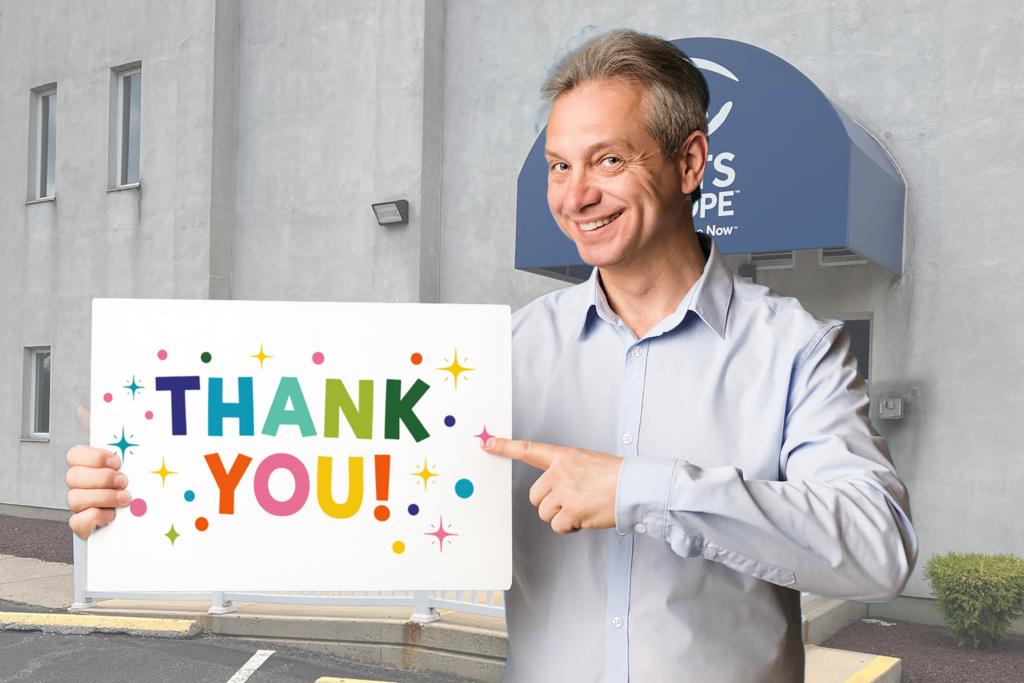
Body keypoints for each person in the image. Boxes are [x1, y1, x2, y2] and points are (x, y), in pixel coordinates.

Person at [66, 29, 917, 683]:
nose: (575, 195)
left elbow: (878, 551)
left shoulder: (796, 348)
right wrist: (145, 477)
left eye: (608, 160)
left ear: (690, 161)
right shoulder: (495, 359)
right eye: (557, 165)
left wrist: (640, 486)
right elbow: (336, 489)